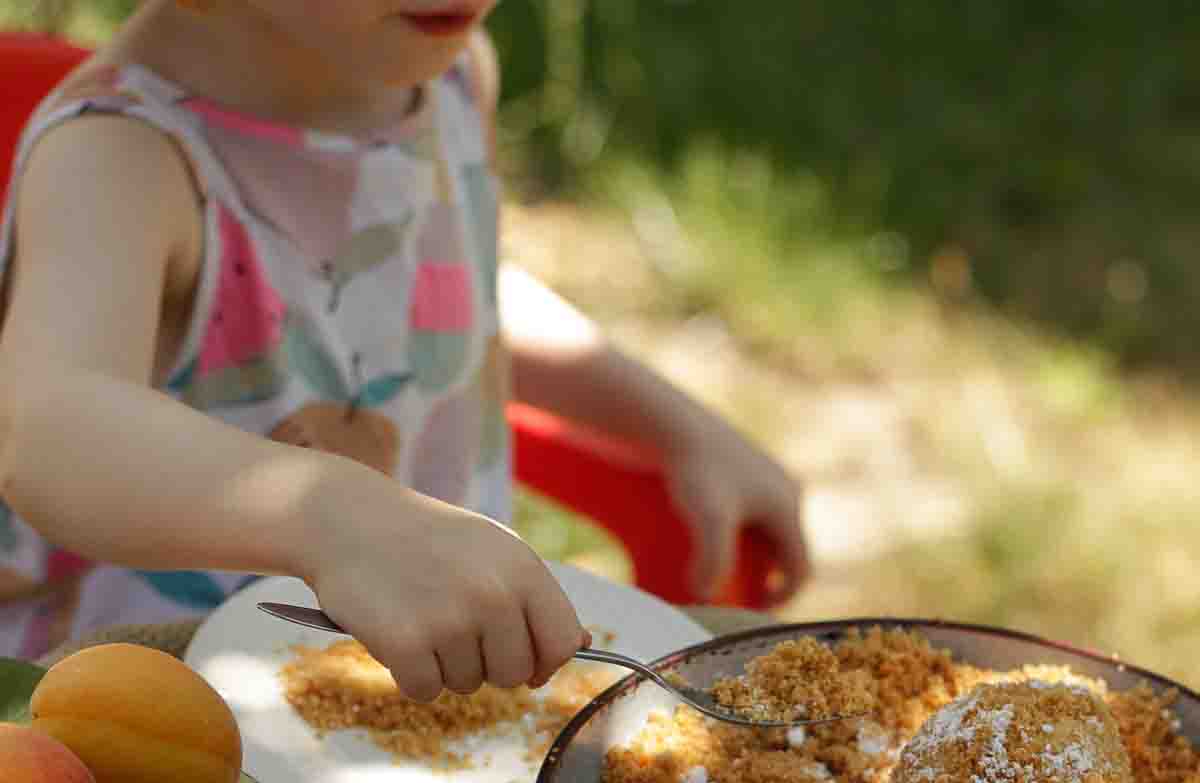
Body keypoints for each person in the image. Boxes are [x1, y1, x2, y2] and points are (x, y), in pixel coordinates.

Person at [0, 0, 808, 697]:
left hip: (402, 699)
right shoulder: (120, 159)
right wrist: (334, 516)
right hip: (160, 742)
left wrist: (677, 426)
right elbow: (52, 428)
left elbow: (446, 292)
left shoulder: (450, 76)